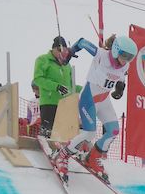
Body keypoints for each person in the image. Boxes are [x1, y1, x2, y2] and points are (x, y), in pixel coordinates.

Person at [51, 33, 136, 182]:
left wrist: (120, 89)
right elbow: (82, 42)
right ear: (115, 50)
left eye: (130, 57)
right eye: (124, 56)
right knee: (89, 133)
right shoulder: (101, 55)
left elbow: (121, 77)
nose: (125, 60)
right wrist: (70, 51)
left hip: (104, 100)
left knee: (114, 130)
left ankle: (92, 158)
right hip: (89, 98)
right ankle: (62, 156)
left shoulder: (125, 65)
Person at [31, 36, 79, 137]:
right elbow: (38, 79)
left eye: (65, 52)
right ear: (54, 49)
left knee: (63, 134)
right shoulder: (43, 60)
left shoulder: (66, 65)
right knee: (48, 131)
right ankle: (45, 140)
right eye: (60, 51)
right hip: (49, 102)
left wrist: (86, 89)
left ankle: (63, 145)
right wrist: (56, 87)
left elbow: (70, 85)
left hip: (64, 104)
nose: (62, 54)